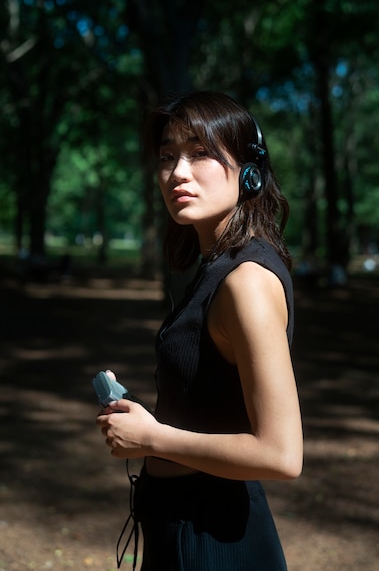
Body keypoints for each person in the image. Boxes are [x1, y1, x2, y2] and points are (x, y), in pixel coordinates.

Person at [96, 91, 303, 571]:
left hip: (215, 543)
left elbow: (281, 453)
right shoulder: (218, 269)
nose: (178, 173)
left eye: (200, 152)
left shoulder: (246, 282)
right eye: (168, 156)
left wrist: (152, 438)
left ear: (250, 170)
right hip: (182, 533)